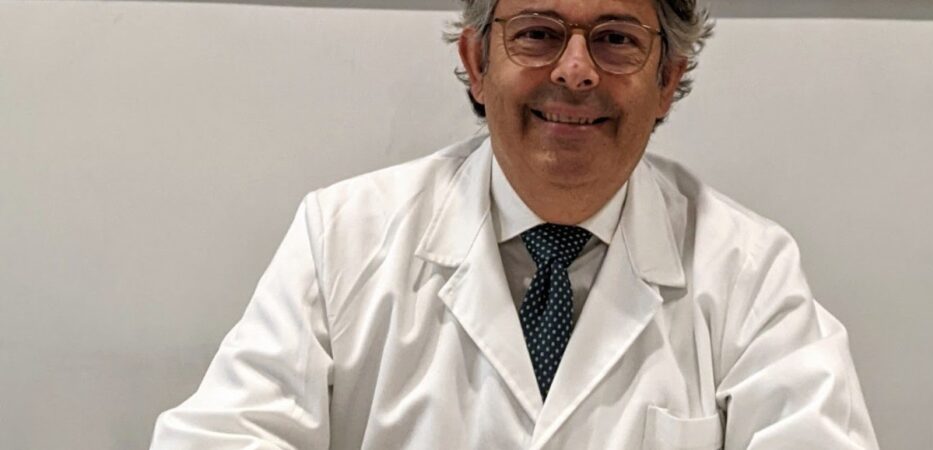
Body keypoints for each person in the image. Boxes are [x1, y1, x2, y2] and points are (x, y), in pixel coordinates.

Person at [151, 0, 879, 448]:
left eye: (616, 39)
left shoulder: (749, 271)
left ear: (667, 78)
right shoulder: (341, 237)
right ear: (476, 61)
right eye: (537, 33)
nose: (575, 71)